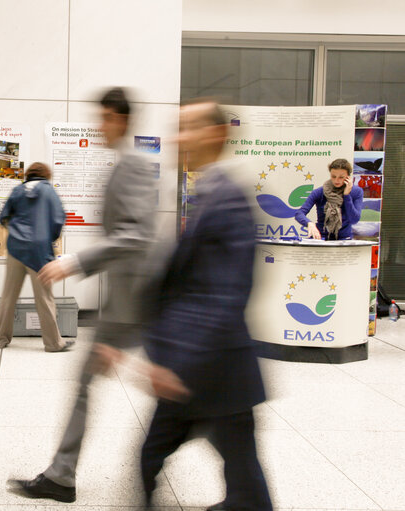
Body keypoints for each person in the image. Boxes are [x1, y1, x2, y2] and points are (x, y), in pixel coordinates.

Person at [8, 87, 162, 502]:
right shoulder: (122, 166)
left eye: (106, 117)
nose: (100, 125)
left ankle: (226, 457)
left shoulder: (131, 167)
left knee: (175, 389)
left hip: (137, 304)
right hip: (125, 304)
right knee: (88, 384)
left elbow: (137, 235)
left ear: (122, 120)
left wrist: (76, 261)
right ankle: (61, 475)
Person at [139, 99, 272, 511]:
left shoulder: (227, 199)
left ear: (217, 134)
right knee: (242, 475)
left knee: (150, 461)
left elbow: (225, 294)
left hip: (209, 367)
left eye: (188, 127)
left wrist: (175, 362)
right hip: (212, 365)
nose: (178, 137)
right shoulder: (209, 192)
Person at [0, 162, 71, 353]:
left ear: (28, 174)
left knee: (8, 296)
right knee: (44, 298)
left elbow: (3, 217)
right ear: (46, 175)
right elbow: (58, 219)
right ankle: (53, 343)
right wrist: (47, 238)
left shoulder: (17, 190)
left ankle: (1, 340)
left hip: (15, 249)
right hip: (39, 251)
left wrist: (16, 232)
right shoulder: (49, 191)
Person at [294, 158, 362, 240]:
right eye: (333, 176)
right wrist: (309, 223)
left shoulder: (356, 192)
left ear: (348, 177)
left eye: (341, 177)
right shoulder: (319, 192)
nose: (337, 180)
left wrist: (347, 195)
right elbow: (299, 213)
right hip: (321, 237)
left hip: (344, 239)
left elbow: (354, 219)